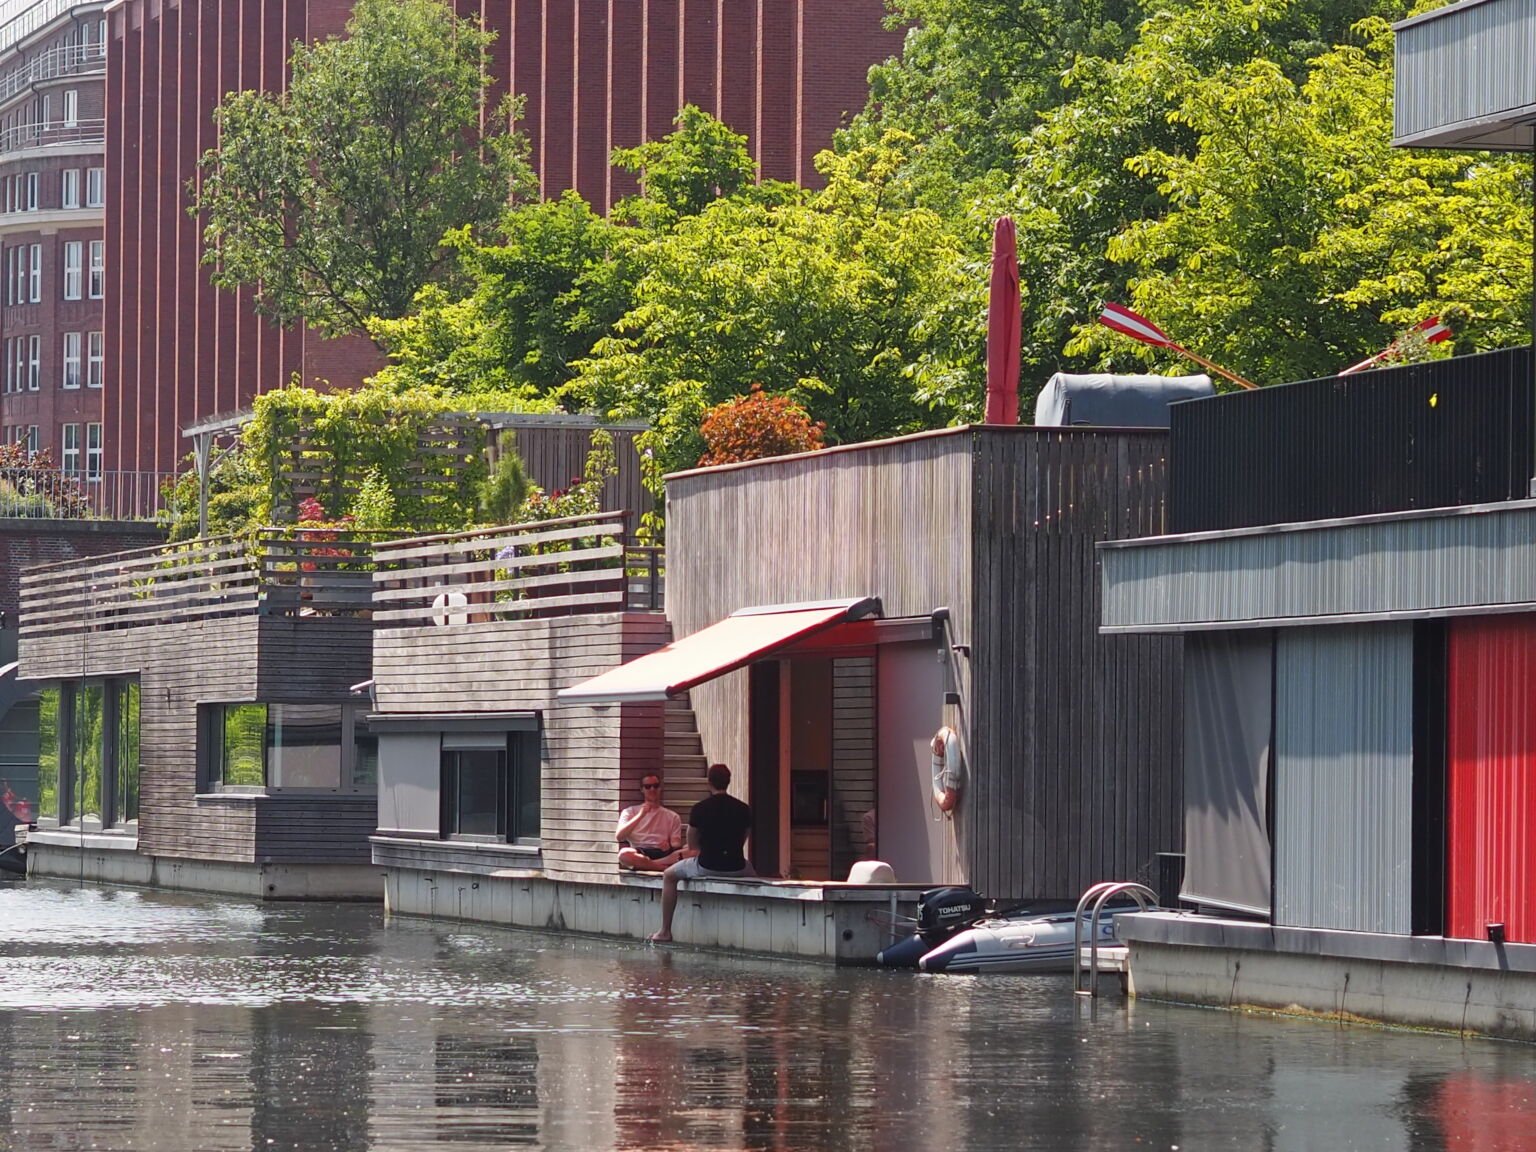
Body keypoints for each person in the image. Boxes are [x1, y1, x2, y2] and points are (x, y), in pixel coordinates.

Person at [648, 763, 753, 942]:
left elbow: (692, 844)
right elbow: (744, 837)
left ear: (708, 782)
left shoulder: (700, 808)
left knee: (668, 875)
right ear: (728, 781)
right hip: (737, 866)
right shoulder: (743, 808)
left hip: (706, 865)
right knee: (754, 874)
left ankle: (665, 930)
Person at [616, 772, 690, 871]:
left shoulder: (672, 816)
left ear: (660, 788)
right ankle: (662, 868)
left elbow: (676, 844)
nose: (652, 789)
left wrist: (669, 847)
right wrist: (640, 815)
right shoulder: (630, 811)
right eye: (648, 786)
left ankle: (649, 865)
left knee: (692, 850)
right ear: (642, 789)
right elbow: (620, 836)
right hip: (640, 851)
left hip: (663, 853)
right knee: (624, 854)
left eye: (656, 786)